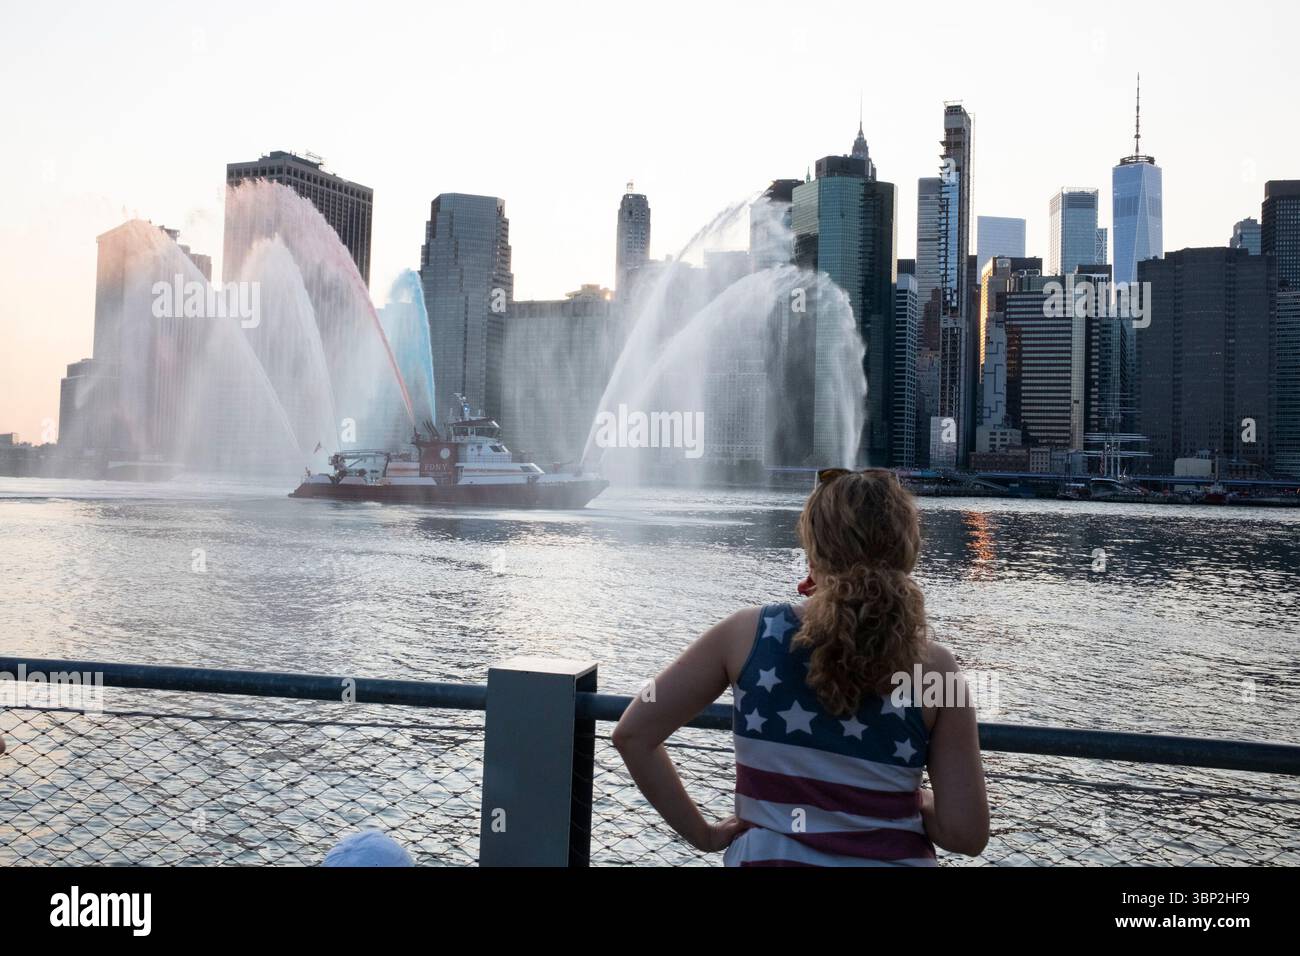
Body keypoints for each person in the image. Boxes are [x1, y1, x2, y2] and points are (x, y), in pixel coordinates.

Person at [614, 468, 988, 866]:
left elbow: (633, 735)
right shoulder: (936, 669)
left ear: (813, 548)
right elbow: (965, 835)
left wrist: (703, 834)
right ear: (907, 550)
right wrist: (913, 800)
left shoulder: (746, 635)